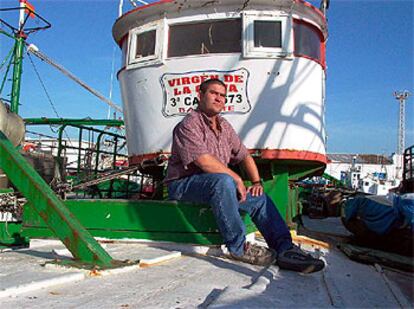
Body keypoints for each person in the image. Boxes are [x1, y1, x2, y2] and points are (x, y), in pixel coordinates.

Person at [165, 78, 324, 273]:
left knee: (258, 197)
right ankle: (238, 247)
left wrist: (256, 182)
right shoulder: (189, 124)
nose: (219, 98)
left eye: (223, 95)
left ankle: (285, 249)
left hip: (217, 187)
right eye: (213, 93)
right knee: (223, 181)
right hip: (183, 186)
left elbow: (245, 155)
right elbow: (204, 161)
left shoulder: (224, 127)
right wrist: (238, 179)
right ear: (200, 95)